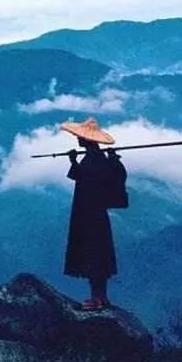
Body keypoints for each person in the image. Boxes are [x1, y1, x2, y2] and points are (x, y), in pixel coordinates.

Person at [60, 117, 127, 311]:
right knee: (97, 254)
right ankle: (100, 297)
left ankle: (97, 298)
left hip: (89, 214)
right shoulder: (96, 158)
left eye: (80, 137)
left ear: (86, 139)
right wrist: (74, 161)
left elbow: (85, 179)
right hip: (94, 213)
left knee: (93, 254)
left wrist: (74, 162)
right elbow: (84, 177)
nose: (77, 139)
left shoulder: (94, 160)